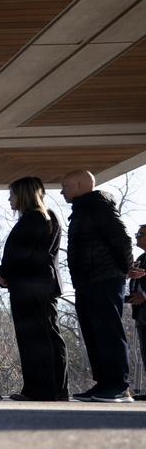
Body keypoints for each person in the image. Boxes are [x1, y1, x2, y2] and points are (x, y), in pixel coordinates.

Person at [61, 169, 144, 402]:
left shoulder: (99, 206)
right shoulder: (82, 209)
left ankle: (119, 385)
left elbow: (122, 238)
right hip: (86, 280)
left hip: (104, 278)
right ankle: (104, 383)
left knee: (107, 331)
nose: (61, 191)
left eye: (64, 186)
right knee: (93, 332)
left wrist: (126, 268)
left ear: (80, 185)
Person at [0, 177, 68, 401]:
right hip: (43, 284)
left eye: (12, 194)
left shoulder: (33, 218)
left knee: (33, 338)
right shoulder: (49, 216)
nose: (9, 199)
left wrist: (3, 272)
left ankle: (39, 389)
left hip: (29, 286)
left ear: (23, 195)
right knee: (49, 336)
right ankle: (55, 389)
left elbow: (21, 252)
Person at [129, 224, 146, 400]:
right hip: (141, 314)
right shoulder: (142, 257)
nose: (137, 237)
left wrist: (144, 295)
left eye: (140, 234)